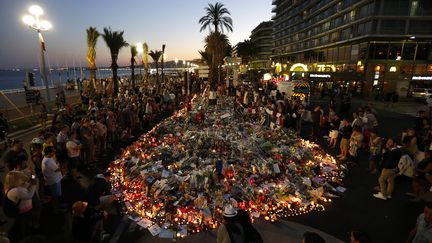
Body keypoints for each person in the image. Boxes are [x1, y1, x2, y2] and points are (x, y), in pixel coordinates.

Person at [3, 171, 36, 241]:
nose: (23, 180)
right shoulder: (16, 190)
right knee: (24, 228)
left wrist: (33, 176)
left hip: (23, 211)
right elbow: (30, 195)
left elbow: (27, 184)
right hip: (24, 212)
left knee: (23, 226)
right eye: (21, 178)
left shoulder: (12, 187)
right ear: (15, 180)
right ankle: (26, 239)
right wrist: (34, 184)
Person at [41, 146, 62, 212]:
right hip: (54, 181)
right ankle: (56, 209)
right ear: (49, 153)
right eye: (53, 151)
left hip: (53, 179)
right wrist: (58, 164)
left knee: (55, 195)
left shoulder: (47, 158)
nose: (54, 152)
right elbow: (57, 169)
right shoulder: (48, 161)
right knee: (55, 196)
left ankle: (57, 206)